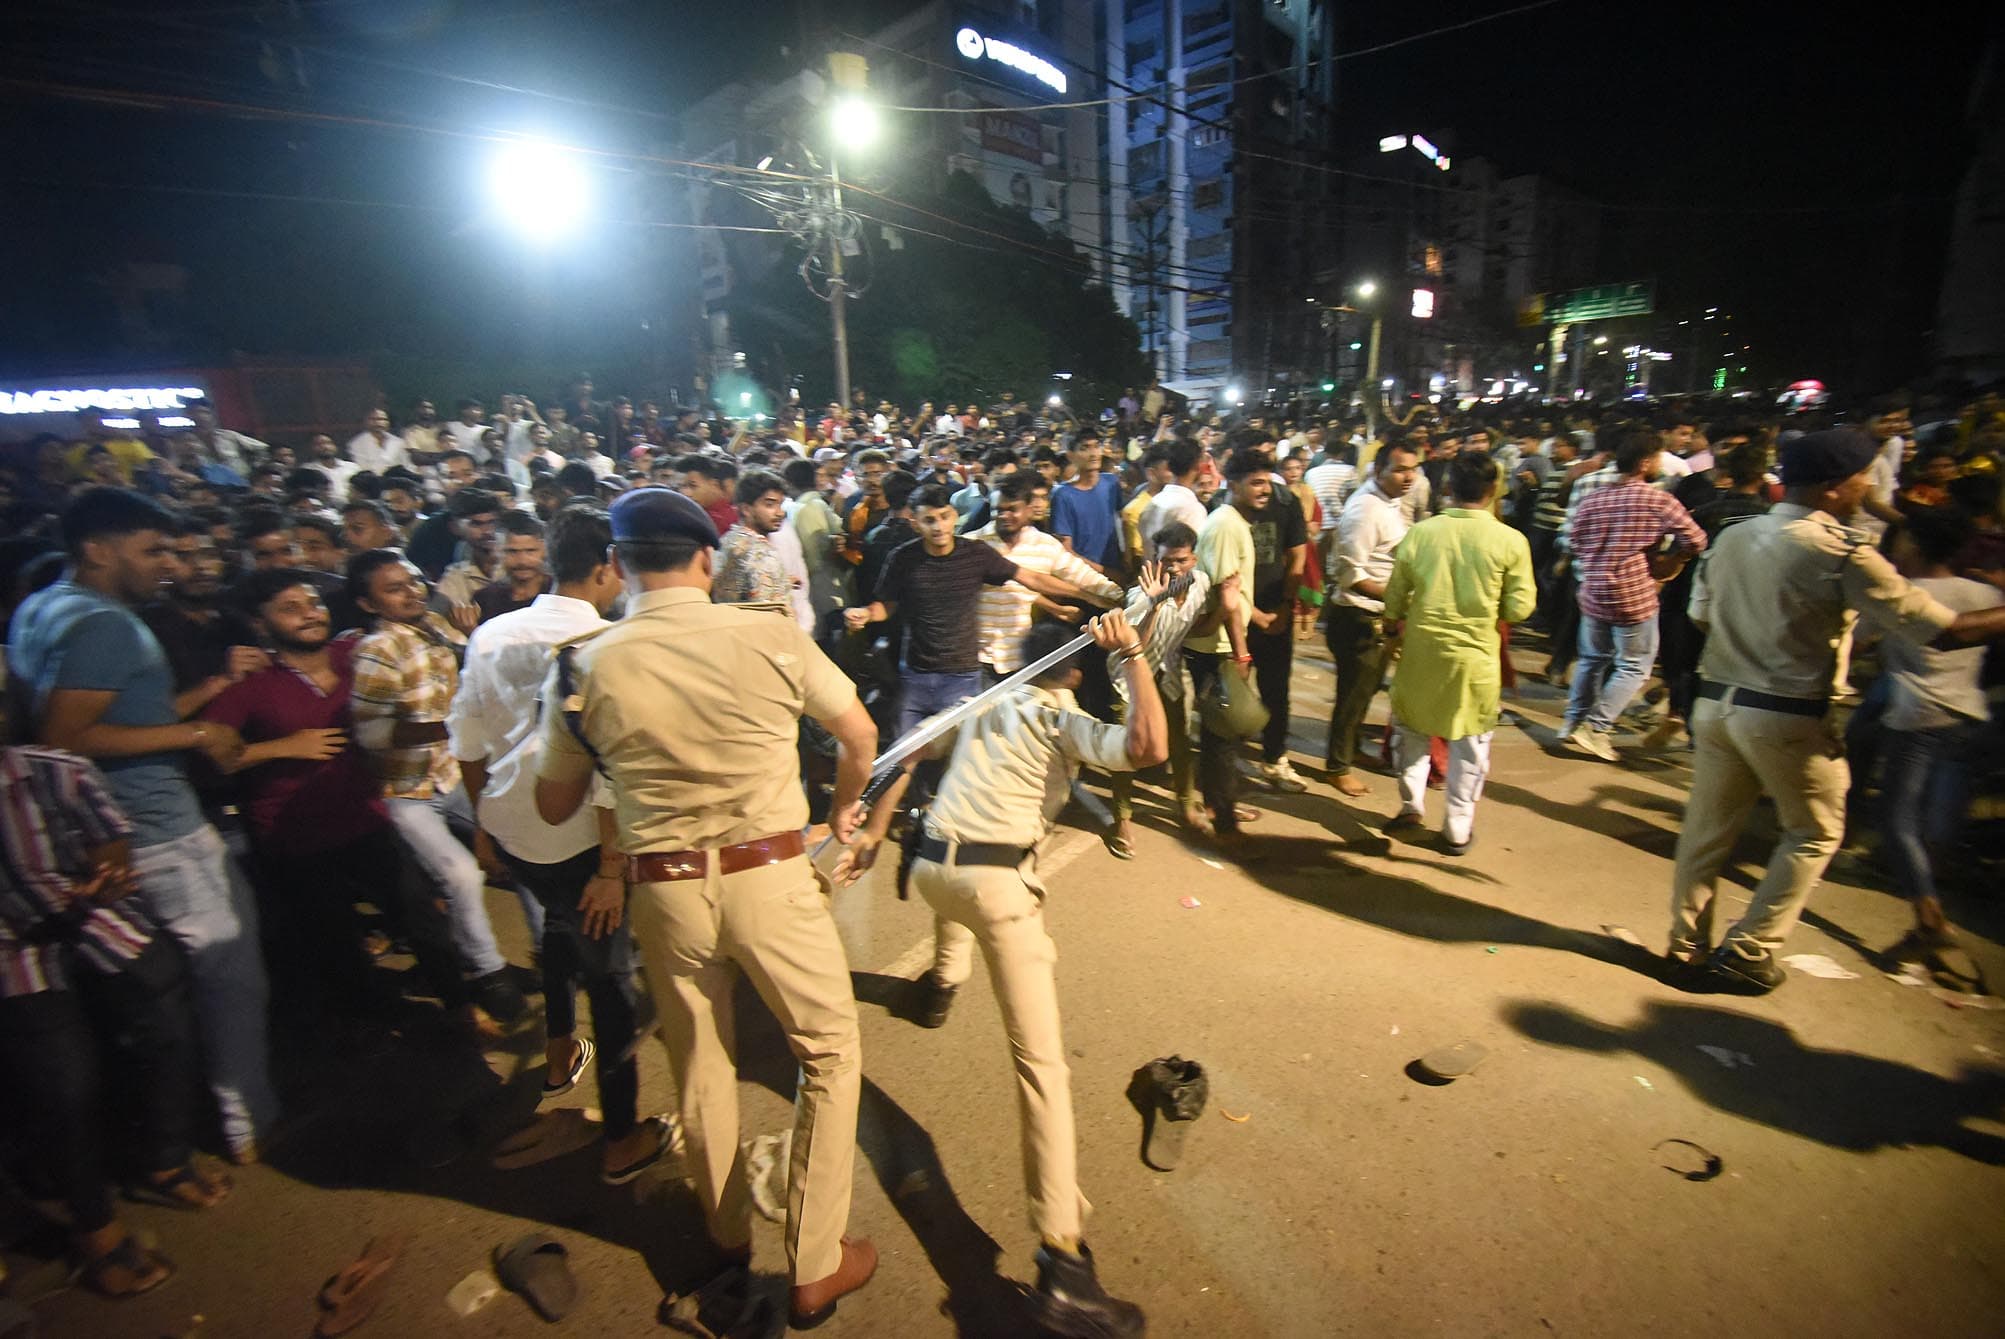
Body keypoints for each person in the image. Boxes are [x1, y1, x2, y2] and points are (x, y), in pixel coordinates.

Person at [533, 488, 881, 1328]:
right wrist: (840, 811)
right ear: (704, 560)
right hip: (770, 874)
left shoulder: (582, 663)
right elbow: (859, 735)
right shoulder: (767, 631)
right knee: (828, 1054)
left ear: (616, 566)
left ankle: (726, 1234)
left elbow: (553, 805)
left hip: (665, 888)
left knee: (701, 1062)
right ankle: (814, 1261)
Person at [837, 612, 1161, 1337]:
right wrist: (1134, 653)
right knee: (1041, 1068)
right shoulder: (1059, 715)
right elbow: (1146, 746)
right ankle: (1063, 1260)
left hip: (930, 868)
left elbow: (909, 751)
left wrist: (868, 831)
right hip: (996, 886)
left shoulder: (987, 698)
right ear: (1073, 670)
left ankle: (942, 984)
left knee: (958, 898)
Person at [1668, 429, 2005, 993]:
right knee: (1815, 832)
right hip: (1786, 713)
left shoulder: (1733, 537)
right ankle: (1750, 951)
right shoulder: (1842, 551)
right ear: (1832, 488)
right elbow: (1949, 633)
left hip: (1717, 702)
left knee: (1705, 833)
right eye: (1862, 478)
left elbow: (1701, 616)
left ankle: (1685, 948)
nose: (1871, 488)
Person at [7, 487, 278, 1161]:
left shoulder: (40, 607)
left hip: (91, 835)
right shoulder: (106, 625)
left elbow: (117, 715)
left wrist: (202, 704)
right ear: (96, 549)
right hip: (157, 830)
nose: (171, 564)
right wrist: (193, 734)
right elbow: (64, 737)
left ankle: (173, 1131)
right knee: (231, 977)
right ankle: (249, 1123)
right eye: (153, 549)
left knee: (154, 998)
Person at [447, 506, 668, 1183]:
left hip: (512, 825)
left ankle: (556, 1049)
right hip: (581, 839)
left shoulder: (492, 632)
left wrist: (485, 821)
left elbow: (468, 735)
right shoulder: (613, 639)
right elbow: (610, 763)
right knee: (611, 978)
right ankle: (622, 1139)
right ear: (605, 567)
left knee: (557, 930)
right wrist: (609, 866)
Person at [0, 733, 229, 1300]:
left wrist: (110, 871)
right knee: (64, 1081)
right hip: (12, 945)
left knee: (167, 1005)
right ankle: (95, 1229)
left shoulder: (55, 771)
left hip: (87, 913)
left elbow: (112, 839)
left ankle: (165, 1158)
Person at [203, 570, 470, 1027]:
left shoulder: (359, 654)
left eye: (313, 604)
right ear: (260, 624)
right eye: (290, 608)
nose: (309, 614)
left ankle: (464, 1009)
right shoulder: (252, 683)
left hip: (369, 816)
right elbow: (214, 753)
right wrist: (282, 747)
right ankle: (370, 1028)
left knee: (422, 917)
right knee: (336, 939)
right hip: (296, 834)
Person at [344, 548, 527, 1027]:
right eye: (394, 588)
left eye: (412, 581)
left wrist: (470, 640)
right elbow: (372, 736)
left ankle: (547, 948)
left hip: (452, 773)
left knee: (516, 843)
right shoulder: (377, 652)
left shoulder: (437, 628)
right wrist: (445, 726)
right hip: (408, 789)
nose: (410, 592)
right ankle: (491, 974)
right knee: (461, 874)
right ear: (368, 604)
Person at [845, 484, 1098, 737]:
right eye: (929, 520)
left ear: (954, 516)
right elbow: (886, 606)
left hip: (963, 676)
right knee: (905, 753)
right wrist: (866, 615)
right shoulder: (902, 558)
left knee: (961, 755)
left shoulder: (976, 553)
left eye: (944, 517)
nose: (938, 527)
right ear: (915, 523)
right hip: (915, 675)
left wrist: (1086, 594)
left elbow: (1030, 578)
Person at [1381, 453, 1537, 855]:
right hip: (1475, 658)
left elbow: (1395, 595)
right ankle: (1456, 829)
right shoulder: (1510, 540)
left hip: (1421, 650)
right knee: (1469, 744)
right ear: (1492, 491)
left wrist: (1394, 621)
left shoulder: (1421, 533)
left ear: (1448, 487)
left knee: (1413, 731)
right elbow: (1520, 608)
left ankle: (1410, 806)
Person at [1872, 507, 2000, 990]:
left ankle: (1929, 920)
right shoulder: (1984, 593)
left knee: (1896, 818)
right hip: (1968, 714)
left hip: (1916, 717)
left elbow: (1858, 641)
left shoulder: (1902, 596)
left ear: (1917, 546)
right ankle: (1934, 894)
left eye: (1902, 541)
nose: (1896, 547)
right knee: (1939, 817)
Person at [1559, 426, 1707, 761]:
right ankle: (1597, 727)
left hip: (1593, 590)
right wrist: (1673, 558)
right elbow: (1696, 539)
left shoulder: (1594, 498)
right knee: (1635, 665)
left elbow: (1574, 541)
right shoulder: (1658, 500)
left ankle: (1572, 723)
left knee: (1592, 660)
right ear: (1644, 463)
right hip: (1634, 593)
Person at [1106, 526, 1216, 854]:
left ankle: (1185, 805)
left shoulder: (1202, 584)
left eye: (1180, 560)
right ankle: (1122, 817)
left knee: (1180, 742)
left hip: (1167, 671)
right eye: (1166, 560)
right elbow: (1134, 645)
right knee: (1127, 748)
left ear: (1193, 559)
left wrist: (1228, 605)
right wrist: (1154, 605)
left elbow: (1199, 625)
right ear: (1155, 559)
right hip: (1129, 675)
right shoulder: (1141, 595)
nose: (1173, 568)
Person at [1324, 441, 1420, 798]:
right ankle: (1337, 767)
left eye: (1412, 468)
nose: (1408, 476)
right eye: (1399, 469)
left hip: (1380, 615)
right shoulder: (1365, 509)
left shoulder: (1389, 503)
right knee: (1352, 695)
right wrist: (1398, 599)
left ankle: (1349, 752)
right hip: (1358, 617)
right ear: (1377, 470)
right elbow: (1349, 574)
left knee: (1364, 693)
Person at [965, 472, 1123, 683]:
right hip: (976, 659)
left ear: (1029, 510)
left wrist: (1122, 597)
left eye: (1012, 509)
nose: (1004, 516)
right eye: (998, 510)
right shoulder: (971, 544)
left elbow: (1083, 576)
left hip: (1022, 660)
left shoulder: (1045, 545)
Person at [1184, 451, 1262, 849]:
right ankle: (1220, 809)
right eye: (1256, 482)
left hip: (1223, 641)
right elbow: (1223, 596)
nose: (1265, 490)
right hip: (1217, 645)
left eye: (1268, 481)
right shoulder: (1225, 526)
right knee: (1223, 730)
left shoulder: (1232, 523)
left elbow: (1237, 591)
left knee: (1224, 731)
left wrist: (1258, 617)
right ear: (1234, 483)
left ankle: (1222, 800)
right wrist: (1241, 653)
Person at [712, 469, 793, 605]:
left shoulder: (729, 539)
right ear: (746, 509)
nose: (780, 513)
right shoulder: (761, 553)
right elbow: (768, 610)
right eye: (770, 505)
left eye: (780, 504)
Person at [1048, 431, 1124, 577]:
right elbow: (1065, 550)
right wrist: (1104, 572)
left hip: (1116, 569)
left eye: (1096, 446)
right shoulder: (1063, 495)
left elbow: (1122, 523)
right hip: (1083, 576)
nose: (1093, 453)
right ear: (1071, 455)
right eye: (1084, 448)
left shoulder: (1111, 482)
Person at [472, 512, 551, 625]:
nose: (522, 561)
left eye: (530, 551)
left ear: (544, 550)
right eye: (512, 551)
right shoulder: (485, 599)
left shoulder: (559, 594)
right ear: (497, 551)